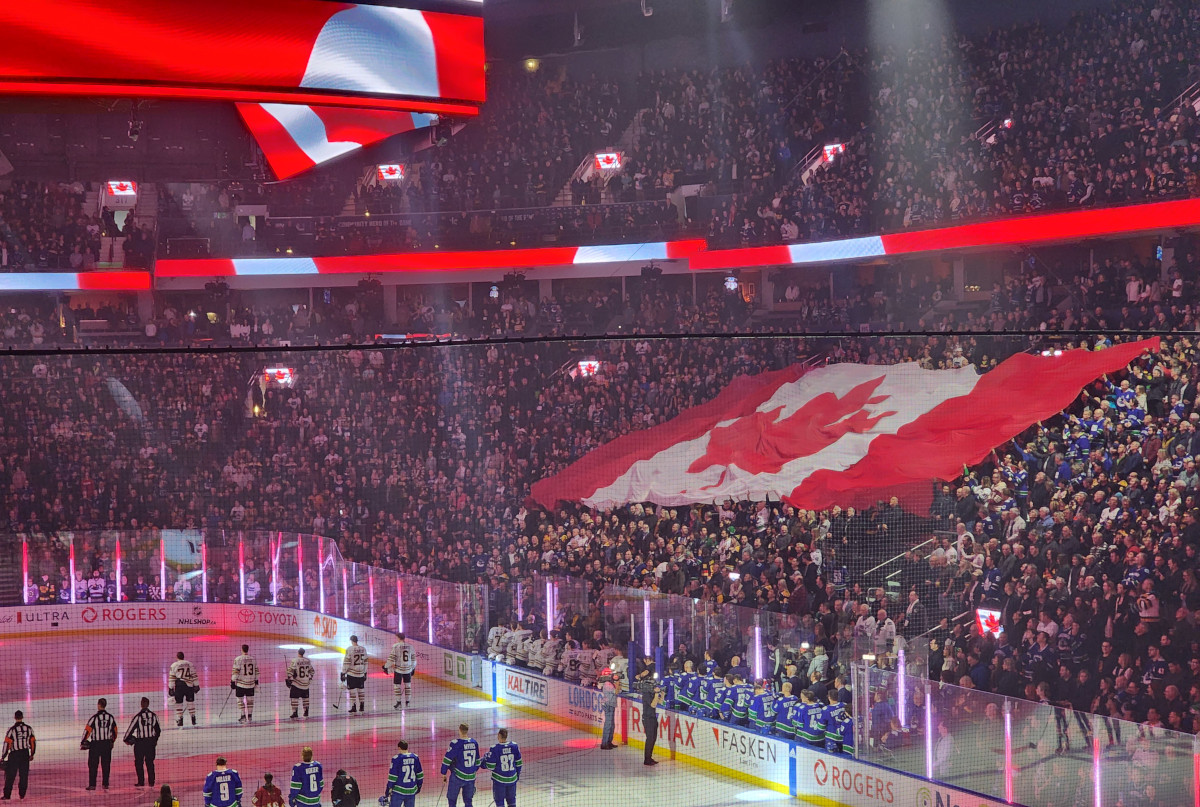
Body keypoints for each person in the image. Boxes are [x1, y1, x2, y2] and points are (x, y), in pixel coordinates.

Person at [124, 697, 161, 788]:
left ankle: (141, 781)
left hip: (140, 743)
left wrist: (127, 740)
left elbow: (130, 730)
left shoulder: (138, 717)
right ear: (148, 704)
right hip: (150, 742)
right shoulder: (153, 716)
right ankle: (151, 782)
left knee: (139, 763)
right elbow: (158, 730)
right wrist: (154, 740)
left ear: (141, 704)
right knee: (150, 762)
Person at [440, 723, 480, 807]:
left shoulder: (456, 743)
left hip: (458, 777)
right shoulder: (474, 743)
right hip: (471, 777)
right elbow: (477, 761)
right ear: (467, 730)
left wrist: (443, 772)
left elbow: (447, 759)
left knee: (452, 800)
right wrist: (472, 771)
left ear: (459, 730)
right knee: (468, 801)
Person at [82, 697, 117, 791]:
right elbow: (115, 731)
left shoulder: (94, 718)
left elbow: (87, 731)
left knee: (93, 765)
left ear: (98, 705)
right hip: (106, 744)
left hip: (96, 745)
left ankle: (92, 785)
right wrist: (112, 741)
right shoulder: (110, 717)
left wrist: (83, 741)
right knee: (106, 765)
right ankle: (105, 784)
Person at [481, 728, 521, 807]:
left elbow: (490, 766)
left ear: (499, 735)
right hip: (512, 780)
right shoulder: (514, 746)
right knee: (512, 801)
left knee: (499, 802)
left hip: (499, 781)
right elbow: (519, 763)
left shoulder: (495, 748)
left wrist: (483, 763)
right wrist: (517, 776)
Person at [1, 710, 35, 800]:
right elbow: (32, 742)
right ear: (22, 717)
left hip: (14, 755)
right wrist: (32, 754)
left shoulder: (11, 730)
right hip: (24, 754)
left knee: (10, 776)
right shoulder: (29, 728)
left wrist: (3, 756)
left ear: (15, 717)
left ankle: (7, 795)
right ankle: (22, 795)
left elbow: (6, 744)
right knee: (24, 775)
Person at [384, 739, 423, 807]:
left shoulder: (396, 759)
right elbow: (420, 774)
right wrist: (419, 786)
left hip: (398, 791)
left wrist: (388, 789)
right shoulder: (415, 757)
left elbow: (392, 777)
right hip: (411, 791)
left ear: (399, 748)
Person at [384, 632, 416, 710]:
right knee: (408, 686)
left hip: (398, 669)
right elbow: (414, 659)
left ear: (398, 638)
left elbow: (391, 659)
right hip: (408, 669)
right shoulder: (410, 646)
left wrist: (385, 666)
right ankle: (407, 702)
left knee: (397, 686)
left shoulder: (396, 646)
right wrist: (413, 668)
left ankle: (399, 703)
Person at [169, 651, 200, 727]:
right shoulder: (190, 664)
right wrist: (196, 685)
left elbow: (172, 677)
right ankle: (193, 719)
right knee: (190, 702)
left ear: (177, 657)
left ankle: (180, 720)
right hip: (189, 686)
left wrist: (170, 688)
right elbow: (194, 675)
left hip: (179, 686)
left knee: (178, 703)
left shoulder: (174, 665)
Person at [231, 644, 259, 724]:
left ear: (241, 649)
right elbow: (256, 671)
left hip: (241, 684)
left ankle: (243, 716)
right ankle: (249, 716)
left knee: (240, 700)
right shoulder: (253, 659)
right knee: (250, 700)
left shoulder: (238, 659)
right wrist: (256, 681)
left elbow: (235, 671)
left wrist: (233, 681)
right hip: (251, 683)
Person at [341, 635, 368, 714]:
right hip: (360, 674)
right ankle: (362, 707)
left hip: (352, 674)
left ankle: (354, 707)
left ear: (351, 641)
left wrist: (343, 672)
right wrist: (365, 672)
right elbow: (366, 661)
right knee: (361, 690)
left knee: (352, 691)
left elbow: (346, 662)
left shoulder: (349, 649)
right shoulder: (363, 649)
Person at [286, 649, 316, 720]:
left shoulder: (295, 660)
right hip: (306, 683)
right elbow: (312, 671)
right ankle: (306, 711)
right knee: (305, 698)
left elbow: (290, 671)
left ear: (298, 652)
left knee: (294, 698)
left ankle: (295, 712)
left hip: (297, 683)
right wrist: (309, 678)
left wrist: (290, 678)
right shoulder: (308, 661)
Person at [640, 677, 663, 766]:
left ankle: (649, 757)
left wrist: (662, 694)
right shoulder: (646, 694)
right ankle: (647, 759)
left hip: (653, 718)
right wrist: (656, 694)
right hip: (647, 719)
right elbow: (653, 705)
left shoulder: (652, 693)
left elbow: (660, 702)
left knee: (653, 738)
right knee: (649, 739)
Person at [597, 667, 619, 749]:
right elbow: (616, 691)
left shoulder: (608, 683)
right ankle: (604, 743)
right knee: (608, 724)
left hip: (610, 704)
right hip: (608, 705)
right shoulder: (607, 684)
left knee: (611, 725)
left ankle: (609, 742)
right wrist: (617, 681)